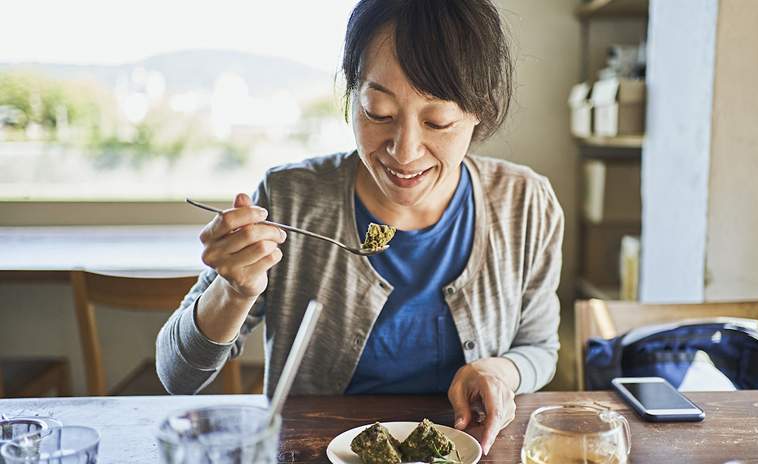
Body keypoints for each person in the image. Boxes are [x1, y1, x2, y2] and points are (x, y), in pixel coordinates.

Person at [156, 0, 563, 455]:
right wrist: (233, 292)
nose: (405, 152)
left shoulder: (526, 204)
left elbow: (539, 347)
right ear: (351, 97)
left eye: (437, 121)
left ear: (478, 113)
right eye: (378, 112)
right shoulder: (291, 199)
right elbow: (179, 375)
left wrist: (502, 371)